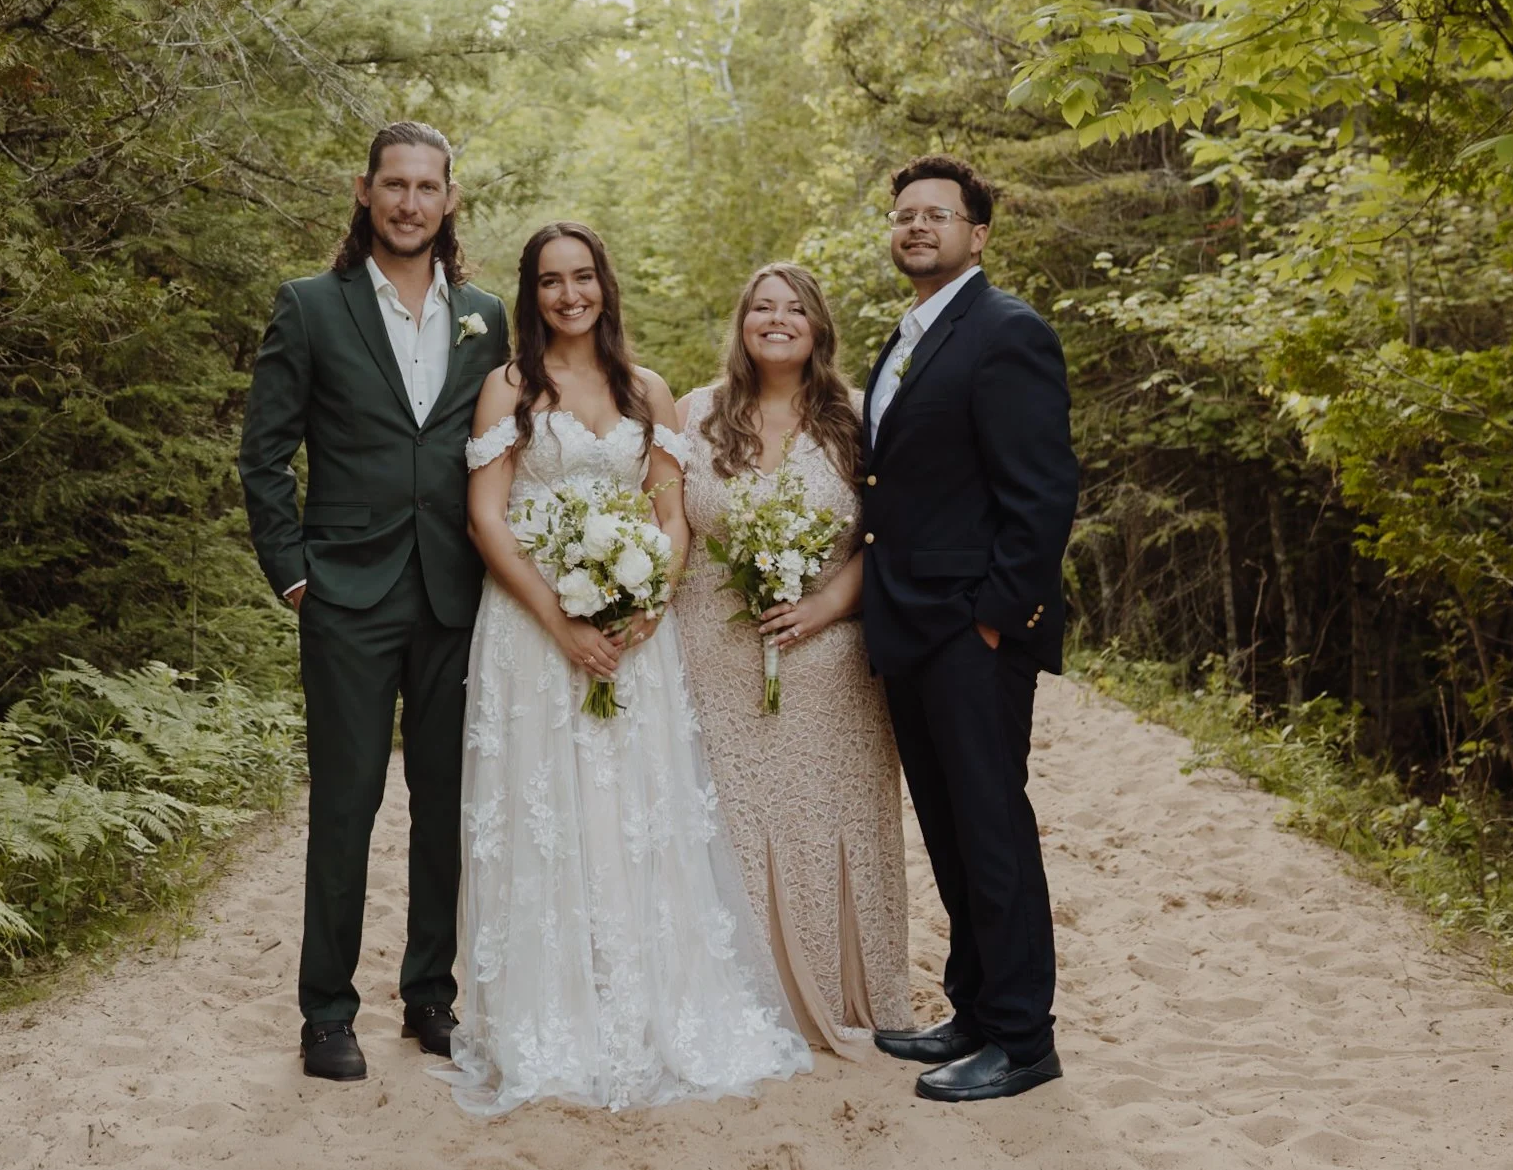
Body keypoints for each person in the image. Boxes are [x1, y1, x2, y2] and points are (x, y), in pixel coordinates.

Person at [440, 222, 811, 1115]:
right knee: (546, 810)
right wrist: (558, 619)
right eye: (551, 281)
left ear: (605, 284)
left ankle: (647, 1002)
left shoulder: (647, 389)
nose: (570, 295)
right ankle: (549, 1010)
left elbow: (671, 513)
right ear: (531, 295)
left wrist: (649, 601)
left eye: (583, 277)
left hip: (636, 637)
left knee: (629, 812)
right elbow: (487, 516)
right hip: (534, 635)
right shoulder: (509, 388)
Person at [237, 121, 510, 1082]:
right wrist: (292, 569)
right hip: (345, 593)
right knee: (345, 806)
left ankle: (429, 995)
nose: (408, 202)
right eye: (392, 185)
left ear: (448, 199)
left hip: (457, 592)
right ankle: (326, 1010)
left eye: (426, 186)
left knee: (445, 805)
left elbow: (502, 453)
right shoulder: (310, 306)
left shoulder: (487, 314)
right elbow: (264, 451)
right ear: (365, 192)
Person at [859, 155, 1078, 1102]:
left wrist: (993, 620)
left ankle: (1024, 1040)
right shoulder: (907, 338)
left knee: (991, 829)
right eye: (904, 214)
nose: (916, 227)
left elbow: (1043, 496)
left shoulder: (1007, 332)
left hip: (969, 630)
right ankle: (977, 1008)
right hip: (910, 624)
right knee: (949, 827)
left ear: (976, 234)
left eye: (936, 215)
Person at [671, 263, 913, 1058]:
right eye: (761, 307)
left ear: (818, 325)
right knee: (731, 820)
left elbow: (889, 535)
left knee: (828, 821)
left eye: (794, 308)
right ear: (742, 321)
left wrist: (823, 605)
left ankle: (841, 987)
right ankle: (742, 992)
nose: (777, 319)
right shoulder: (695, 411)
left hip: (830, 656)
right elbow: (668, 525)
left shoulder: (857, 417)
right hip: (711, 648)